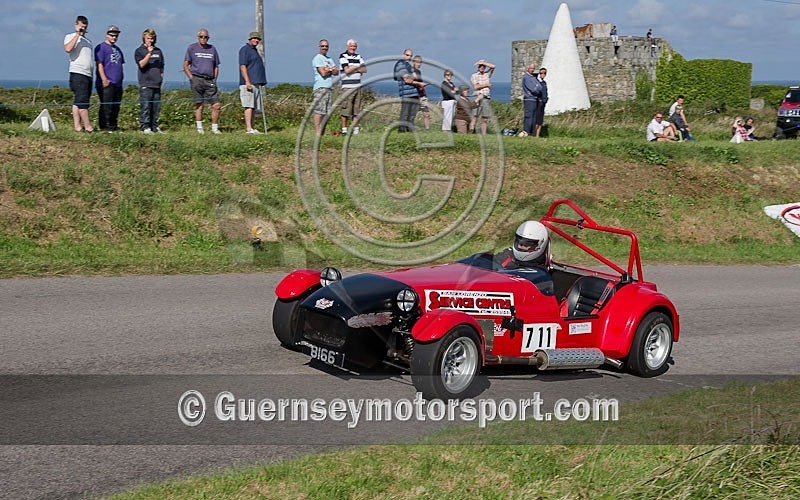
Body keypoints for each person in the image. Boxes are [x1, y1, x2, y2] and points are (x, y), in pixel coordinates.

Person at [183, 29, 221, 135]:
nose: (203, 39)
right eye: (201, 37)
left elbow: (216, 66)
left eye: (205, 37)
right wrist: (191, 77)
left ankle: (214, 128)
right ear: (198, 37)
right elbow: (186, 64)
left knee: (216, 105)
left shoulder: (212, 49)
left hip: (209, 80)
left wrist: (215, 79)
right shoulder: (192, 48)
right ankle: (200, 129)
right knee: (199, 105)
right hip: (197, 78)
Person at [63, 15, 94, 132]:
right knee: (82, 102)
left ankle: (77, 126)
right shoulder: (70, 37)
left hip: (88, 74)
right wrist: (77, 35)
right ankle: (88, 127)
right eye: (81, 26)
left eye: (85, 27)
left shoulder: (88, 41)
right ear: (76, 25)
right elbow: (67, 49)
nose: (83, 29)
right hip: (78, 73)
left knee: (78, 100)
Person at [94, 25, 125, 132]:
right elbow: (99, 64)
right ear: (107, 35)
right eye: (112, 35)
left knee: (116, 106)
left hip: (117, 82)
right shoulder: (102, 47)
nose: (114, 37)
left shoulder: (118, 49)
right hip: (107, 82)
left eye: (116, 36)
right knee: (106, 105)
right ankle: (105, 126)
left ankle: (113, 125)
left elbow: (120, 64)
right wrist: (104, 79)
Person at [134, 28, 164, 134]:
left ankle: (154, 126)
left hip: (157, 83)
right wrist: (148, 54)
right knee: (145, 106)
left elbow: (161, 66)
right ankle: (144, 127)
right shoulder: (139, 51)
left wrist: (161, 77)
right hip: (145, 83)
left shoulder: (158, 51)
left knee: (155, 107)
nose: (150, 40)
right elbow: (141, 64)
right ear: (144, 39)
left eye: (152, 38)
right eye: (148, 38)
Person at [239, 31, 267, 134]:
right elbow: (243, 66)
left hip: (256, 82)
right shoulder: (244, 50)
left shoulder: (254, 51)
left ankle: (252, 127)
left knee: (254, 106)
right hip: (248, 83)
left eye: (258, 39)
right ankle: (248, 128)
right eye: (254, 38)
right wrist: (247, 81)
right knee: (248, 105)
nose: (256, 40)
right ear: (250, 39)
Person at [338, 38, 366, 135]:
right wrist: (357, 68)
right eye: (351, 46)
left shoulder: (359, 56)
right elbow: (346, 70)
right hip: (347, 87)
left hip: (357, 86)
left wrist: (353, 68)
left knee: (356, 110)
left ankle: (356, 130)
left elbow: (365, 69)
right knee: (346, 109)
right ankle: (344, 130)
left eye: (354, 46)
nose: (353, 48)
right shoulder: (343, 56)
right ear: (347, 46)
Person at [311, 39, 338, 136]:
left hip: (329, 88)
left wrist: (328, 69)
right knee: (319, 111)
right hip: (321, 87)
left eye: (326, 46)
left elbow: (337, 72)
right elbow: (323, 73)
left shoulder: (330, 59)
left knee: (327, 113)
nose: (324, 48)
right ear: (319, 47)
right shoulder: (317, 58)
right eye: (322, 46)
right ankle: (318, 133)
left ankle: (322, 132)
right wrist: (330, 70)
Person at [394, 49, 418, 132]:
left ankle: (410, 131)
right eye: (407, 55)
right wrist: (413, 77)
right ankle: (401, 131)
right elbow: (407, 79)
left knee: (412, 114)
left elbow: (414, 76)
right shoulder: (400, 64)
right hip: (406, 93)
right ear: (403, 54)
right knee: (405, 114)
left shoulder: (408, 66)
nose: (409, 57)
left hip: (413, 92)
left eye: (411, 56)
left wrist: (412, 77)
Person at [470, 59, 495, 134]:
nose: (482, 67)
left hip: (486, 97)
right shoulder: (474, 75)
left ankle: (484, 134)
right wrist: (486, 85)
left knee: (485, 118)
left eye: (483, 66)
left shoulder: (487, 74)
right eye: (480, 66)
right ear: (478, 67)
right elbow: (476, 87)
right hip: (477, 97)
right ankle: (471, 132)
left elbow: (493, 66)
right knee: (475, 116)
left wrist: (483, 62)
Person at [521, 63, 541, 137]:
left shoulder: (533, 77)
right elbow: (532, 89)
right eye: (531, 68)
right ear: (528, 68)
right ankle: (526, 131)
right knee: (528, 115)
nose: (532, 70)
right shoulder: (526, 77)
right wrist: (535, 88)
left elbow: (539, 87)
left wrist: (536, 88)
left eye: (533, 68)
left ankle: (531, 132)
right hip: (529, 99)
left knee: (534, 117)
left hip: (534, 99)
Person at [412, 55, 430, 130]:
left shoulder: (418, 71)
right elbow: (413, 80)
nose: (419, 64)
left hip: (422, 94)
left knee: (427, 113)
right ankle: (410, 128)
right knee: (413, 113)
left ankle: (427, 129)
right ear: (414, 62)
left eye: (420, 62)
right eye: (417, 62)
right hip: (416, 94)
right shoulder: (411, 70)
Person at [534, 67, 549, 137]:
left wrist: (545, 100)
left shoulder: (544, 83)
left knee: (540, 120)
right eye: (541, 73)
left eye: (544, 73)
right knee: (537, 120)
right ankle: (534, 134)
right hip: (539, 103)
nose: (543, 74)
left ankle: (538, 135)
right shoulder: (537, 82)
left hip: (543, 103)